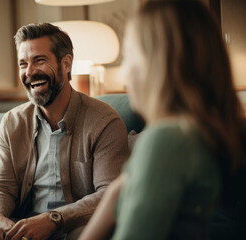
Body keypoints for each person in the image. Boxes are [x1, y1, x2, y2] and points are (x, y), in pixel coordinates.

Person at [79, 0, 246, 239]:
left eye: (129, 58)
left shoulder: (168, 140)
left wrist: (110, 204)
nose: (124, 74)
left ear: (156, 65)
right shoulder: (216, 132)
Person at [0, 22, 130, 240]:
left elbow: (109, 194)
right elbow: (2, 186)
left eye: (39, 60)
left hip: (76, 228)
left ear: (67, 63)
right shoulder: (12, 122)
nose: (30, 72)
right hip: (24, 230)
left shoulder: (104, 121)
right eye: (23, 63)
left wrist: (53, 219)